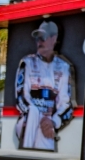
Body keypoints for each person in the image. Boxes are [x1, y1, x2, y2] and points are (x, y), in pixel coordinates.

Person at [14, 21, 76, 151]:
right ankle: (26, 158)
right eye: (37, 38)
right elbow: (21, 98)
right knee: (34, 112)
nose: (39, 41)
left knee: (46, 134)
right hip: (28, 120)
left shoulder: (63, 68)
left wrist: (52, 121)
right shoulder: (27, 63)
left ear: (54, 39)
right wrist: (41, 118)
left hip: (48, 124)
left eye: (43, 37)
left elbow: (65, 104)